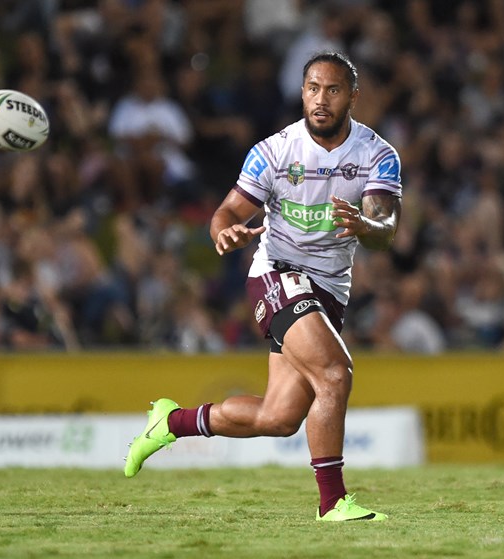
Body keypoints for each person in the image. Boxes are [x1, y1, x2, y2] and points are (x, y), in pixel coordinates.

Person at [124, 52, 402, 522]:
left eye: (333, 90)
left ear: (353, 96)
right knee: (335, 373)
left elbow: (386, 226)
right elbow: (227, 212)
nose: (321, 99)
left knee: (279, 417)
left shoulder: (377, 154)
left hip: (329, 288)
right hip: (276, 272)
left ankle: (170, 421)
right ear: (302, 92)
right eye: (313, 88)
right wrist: (223, 232)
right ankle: (332, 503)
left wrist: (366, 226)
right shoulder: (275, 151)